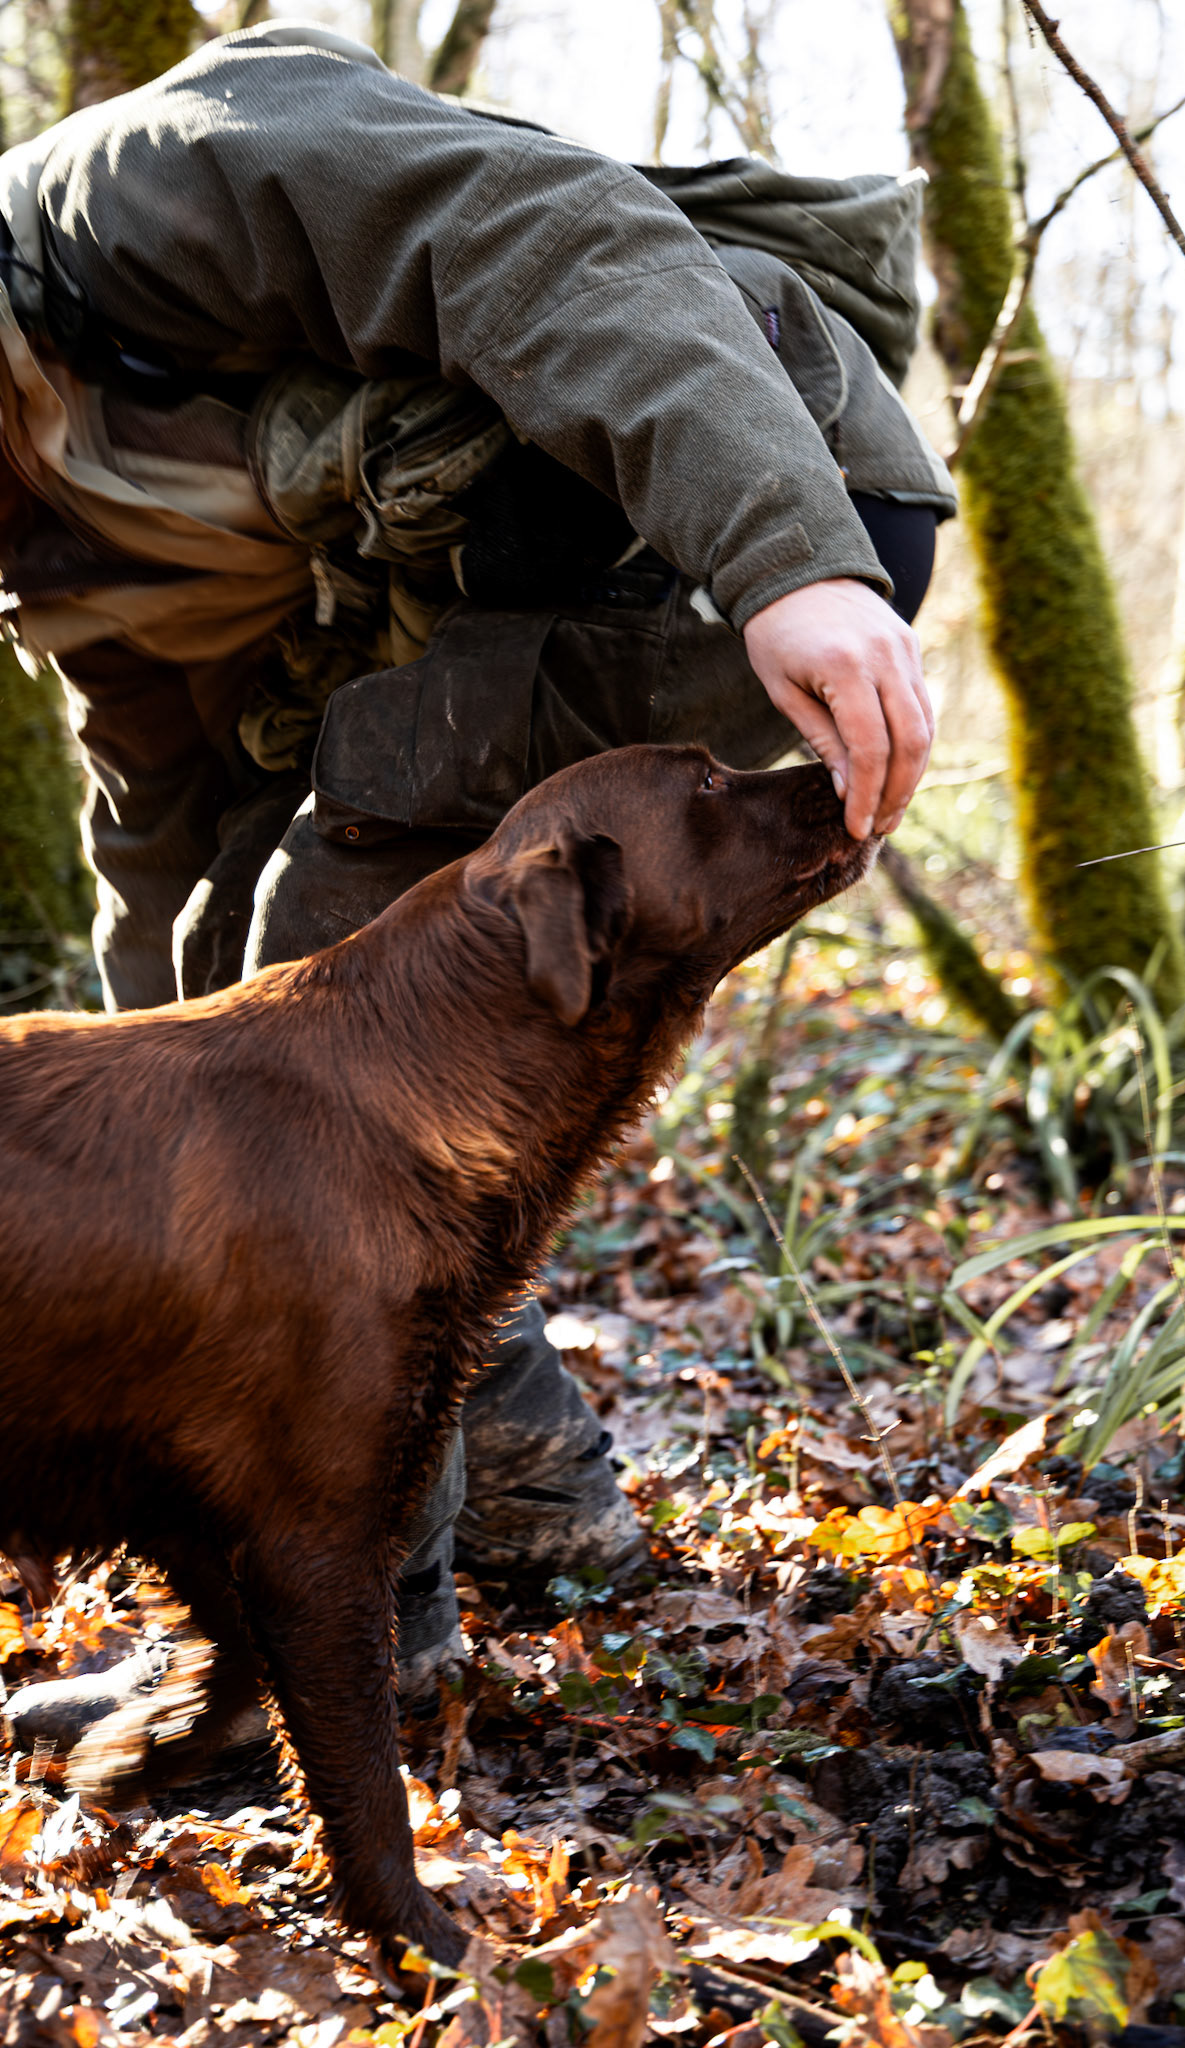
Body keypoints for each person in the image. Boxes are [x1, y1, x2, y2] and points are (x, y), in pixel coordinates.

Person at [0, 21, 956, 1752]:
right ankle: (529, 1494)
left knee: (328, 1070)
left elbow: (547, 238)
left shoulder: (145, 189)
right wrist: (143, 1081)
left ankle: (352, 1637)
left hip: (723, 516)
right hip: (553, 587)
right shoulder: (43, 513)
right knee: (246, 1019)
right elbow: (162, 789)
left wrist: (789, 562)